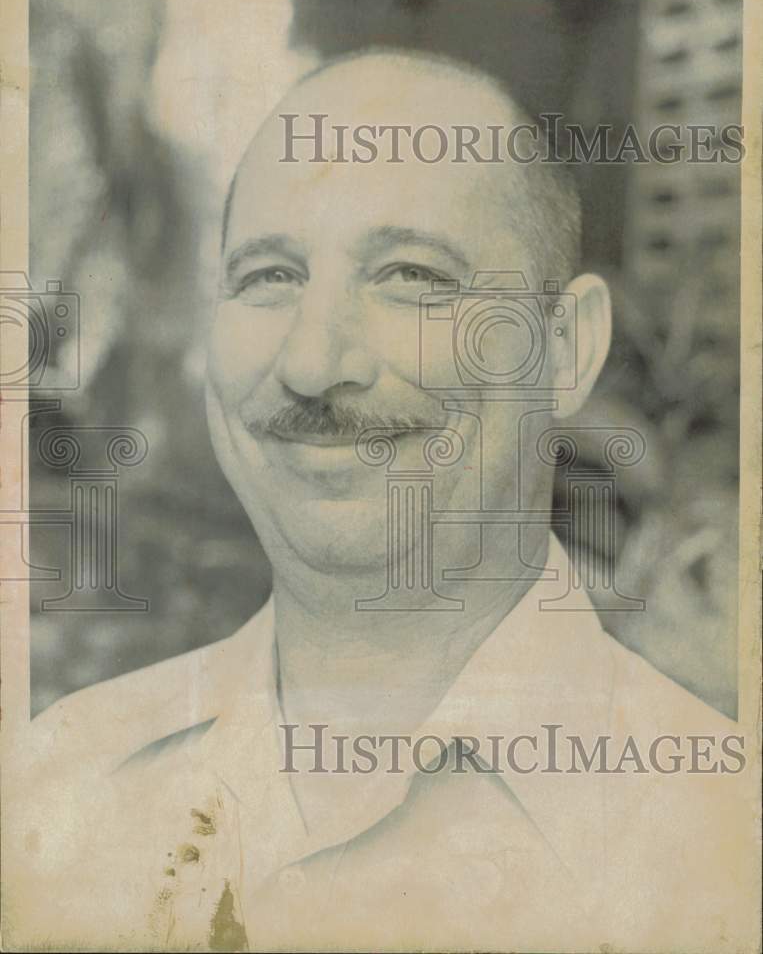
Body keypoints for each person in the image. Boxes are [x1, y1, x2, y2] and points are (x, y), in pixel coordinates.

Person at [8, 51, 751, 953]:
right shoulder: (66, 782)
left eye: (411, 274)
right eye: (269, 277)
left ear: (564, 350)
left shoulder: (721, 841)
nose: (315, 364)